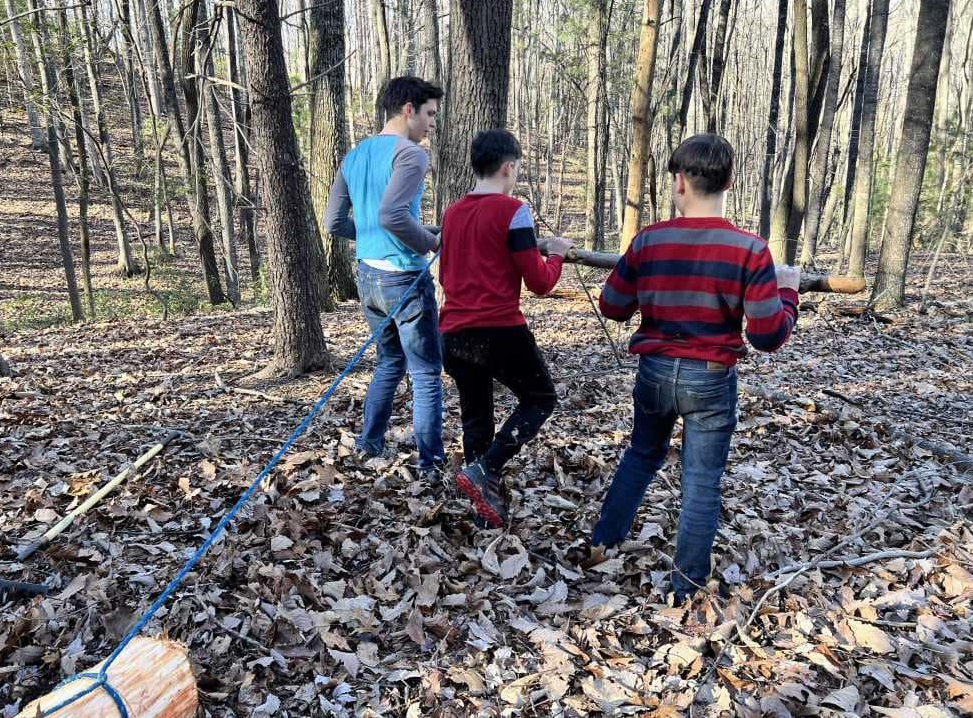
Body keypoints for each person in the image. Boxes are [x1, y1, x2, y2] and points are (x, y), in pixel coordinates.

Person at [590, 133, 801, 602]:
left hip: (655, 371)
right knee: (701, 480)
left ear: (679, 182)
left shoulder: (650, 240)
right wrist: (788, 292)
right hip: (710, 376)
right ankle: (685, 588)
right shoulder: (749, 249)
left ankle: (603, 542)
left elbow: (612, 305)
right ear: (729, 181)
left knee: (642, 454)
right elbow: (767, 336)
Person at [438, 129, 575, 527]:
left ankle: (485, 509)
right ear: (508, 167)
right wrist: (558, 254)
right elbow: (540, 282)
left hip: (453, 332)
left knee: (477, 416)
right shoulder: (514, 211)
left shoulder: (452, 212)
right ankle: (487, 468)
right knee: (540, 398)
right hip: (498, 329)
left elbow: (449, 271)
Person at [323, 76, 445, 481]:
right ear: (408, 109)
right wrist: (430, 241)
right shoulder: (410, 155)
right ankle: (432, 464)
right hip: (404, 279)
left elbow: (334, 223)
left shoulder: (353, 155)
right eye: (429, 114)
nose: (431, 124)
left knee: (390, 360)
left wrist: (373, 235)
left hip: (368, 277)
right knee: (426, 371)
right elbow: (393, 215)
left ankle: (369, 444)